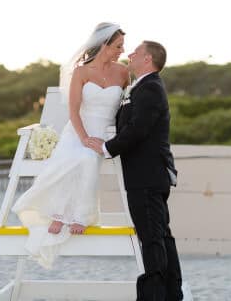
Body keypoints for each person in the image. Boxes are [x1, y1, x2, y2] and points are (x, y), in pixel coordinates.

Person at [11, 23, 129, 268]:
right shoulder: (81, 72)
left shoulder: (123, 72)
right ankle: (59, 213)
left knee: (87, 158)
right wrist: (84, 137)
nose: (122, 50)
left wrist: (115, 138)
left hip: (104, 135)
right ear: (104, 45)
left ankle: (81, 216)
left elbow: (126, 108)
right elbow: (73, 111)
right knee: (77, 155)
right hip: (78, 131)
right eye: (118, 46)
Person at [85, 40, 183, 300]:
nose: (130, 54)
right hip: (147, 175)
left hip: (147, 176)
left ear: (148, 59)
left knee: (152, 240)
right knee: (161, 237)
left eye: (136, 52)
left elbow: (138, 129)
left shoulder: (150, 88)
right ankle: (172, 294)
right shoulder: (141, 87)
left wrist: (107, 148)